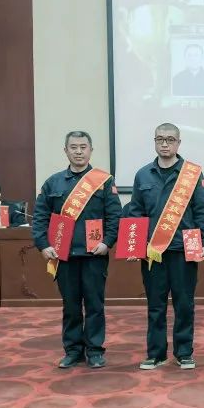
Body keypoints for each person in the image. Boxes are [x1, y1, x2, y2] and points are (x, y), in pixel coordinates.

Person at [125, 123, 204, 370]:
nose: (165, 144)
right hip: (152, 253)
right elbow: (135, 212)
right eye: (160, 139)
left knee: (184, 304)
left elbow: (202, 211)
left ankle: (184, 352)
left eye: (170, 140)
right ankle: (156, 353)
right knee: (155, 305)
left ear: (178, 143)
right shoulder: (143, 175)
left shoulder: (192, 174)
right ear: (154, 141)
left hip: (184, 250)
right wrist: (134, 246)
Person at [32, 131, 122, 369]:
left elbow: (115, 216)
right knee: (71, 306)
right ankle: (72, 351)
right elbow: (40, 217)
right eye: (74, 147)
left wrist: (108, 242)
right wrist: (43, 245)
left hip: (95, 255)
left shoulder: (103, 181)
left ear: (91, 150)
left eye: (83, 147)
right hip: (64, 256)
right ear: (66, 151)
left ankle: (95, 351)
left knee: (94, 305)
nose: (79, 151)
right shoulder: (53, 183)